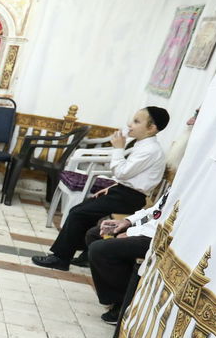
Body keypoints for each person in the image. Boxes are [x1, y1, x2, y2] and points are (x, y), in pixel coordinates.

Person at [32, 105, 169, 271]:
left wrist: (119, 149)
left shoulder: (150, 150)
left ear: (151, 128)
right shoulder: (143, 145)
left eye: (136, 121)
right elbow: (128, 177)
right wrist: (111, 187)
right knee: (86, 212)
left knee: (77, 213)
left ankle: (61, 258)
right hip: (123, 192)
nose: (130, 125)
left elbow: (122, 172)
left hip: (129, 198)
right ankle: (86, 256)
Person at [86, 190, 169, 326]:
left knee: (99, 250)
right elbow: (154, 212)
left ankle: (122, 304)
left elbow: (165, 225)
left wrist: (131, 232)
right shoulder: (179, 183)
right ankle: (117, 298)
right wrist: (127, 222)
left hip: (158, 240)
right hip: (146, 231)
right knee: (94, 234)